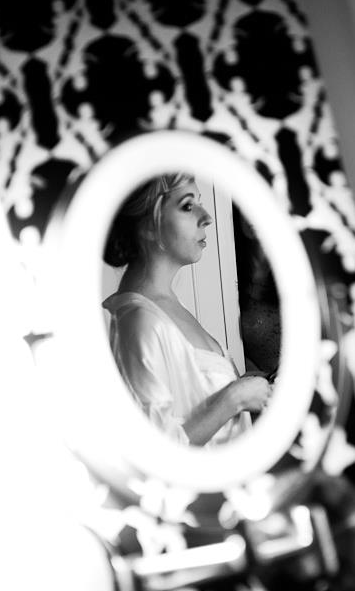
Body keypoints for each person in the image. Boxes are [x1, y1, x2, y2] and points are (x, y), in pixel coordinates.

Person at [102, 173, 270, 446]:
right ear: (147, 225)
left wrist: (246, 389)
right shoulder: (140, 322)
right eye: (188, 206)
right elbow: (158, 451)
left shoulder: (164, 307)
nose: (207, 218)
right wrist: (234, 399)